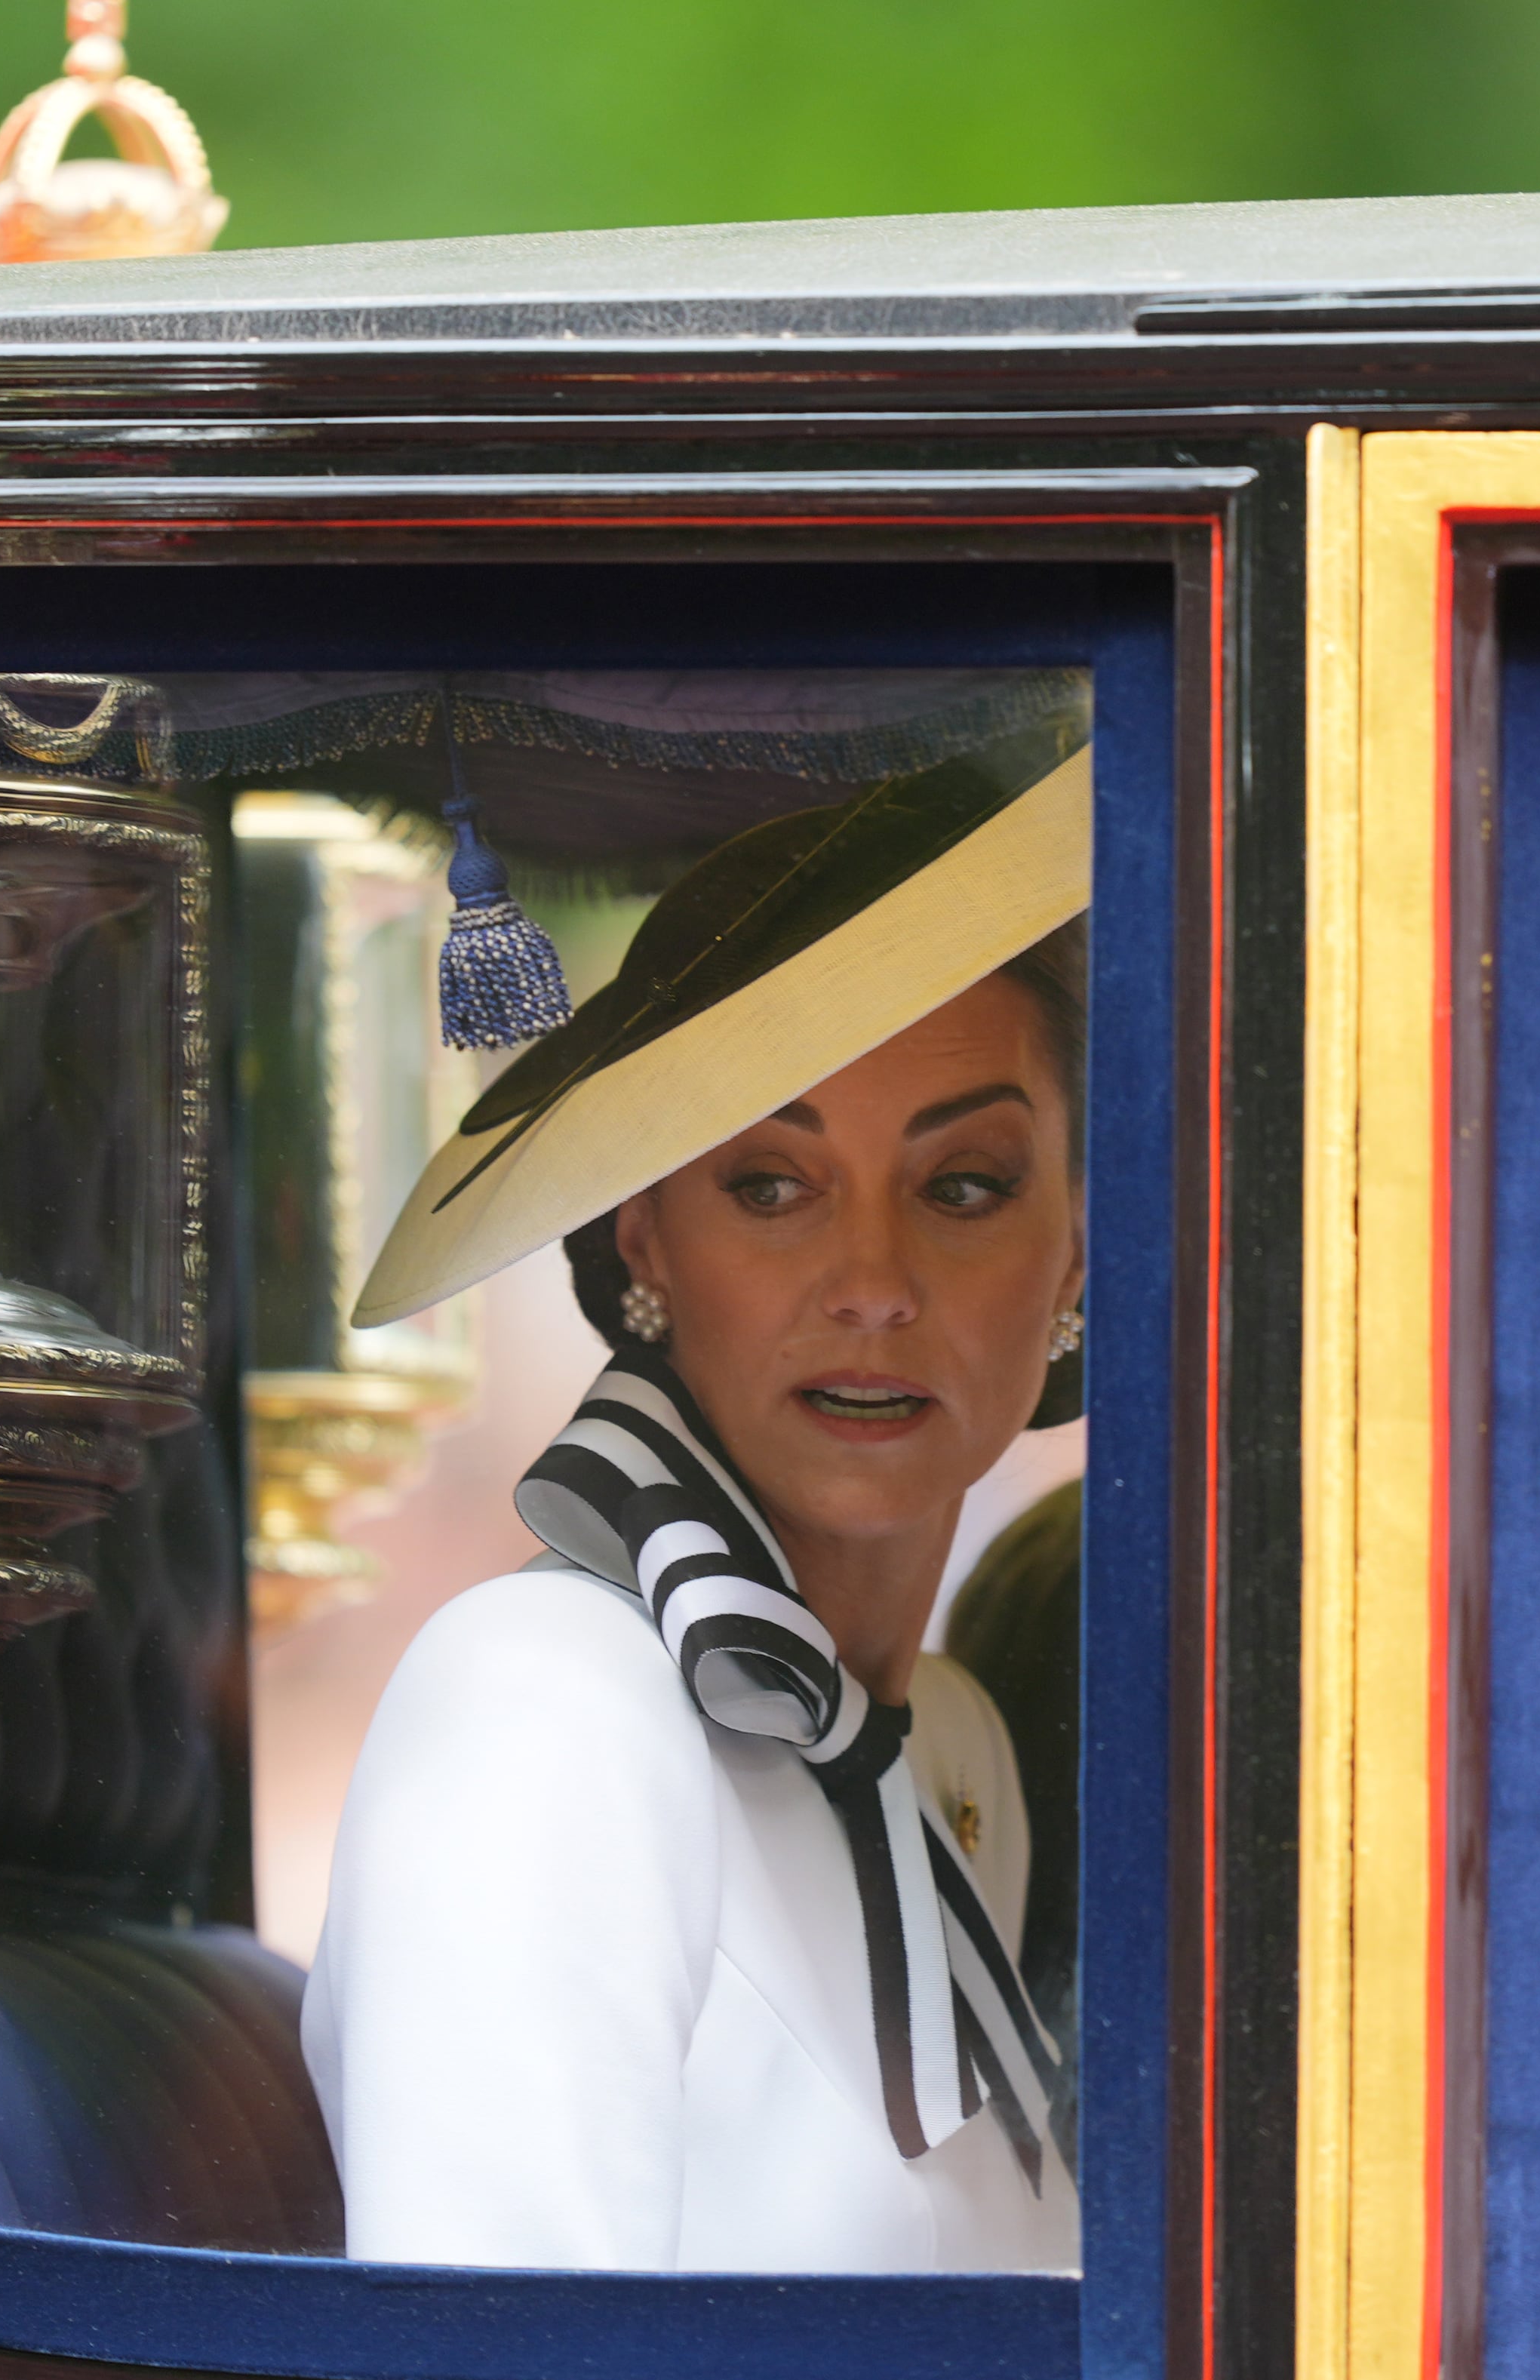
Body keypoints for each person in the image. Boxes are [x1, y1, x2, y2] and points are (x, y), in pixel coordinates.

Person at [302, 719, 1089, 2273]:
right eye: (770, 1185)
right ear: (646, 1240)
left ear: (1078, 1250)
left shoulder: (952, 1757)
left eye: (966, 1185)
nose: (871, 1284)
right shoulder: (543, 1705)